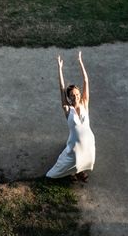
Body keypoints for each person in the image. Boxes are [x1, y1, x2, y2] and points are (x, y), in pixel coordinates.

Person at [46, 52, 95, 182]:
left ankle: (80, 172)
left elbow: (86, 81)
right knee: (73, 159)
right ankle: (71, 173)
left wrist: (80, 62)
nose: (76, 97)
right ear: (69, 97)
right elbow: (62, 88)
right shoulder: (67, 109)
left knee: (85, 157)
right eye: (72, 95)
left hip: (88, 140)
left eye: (77, 94)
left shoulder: (85, 103)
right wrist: (59, 68)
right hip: (75, 144)